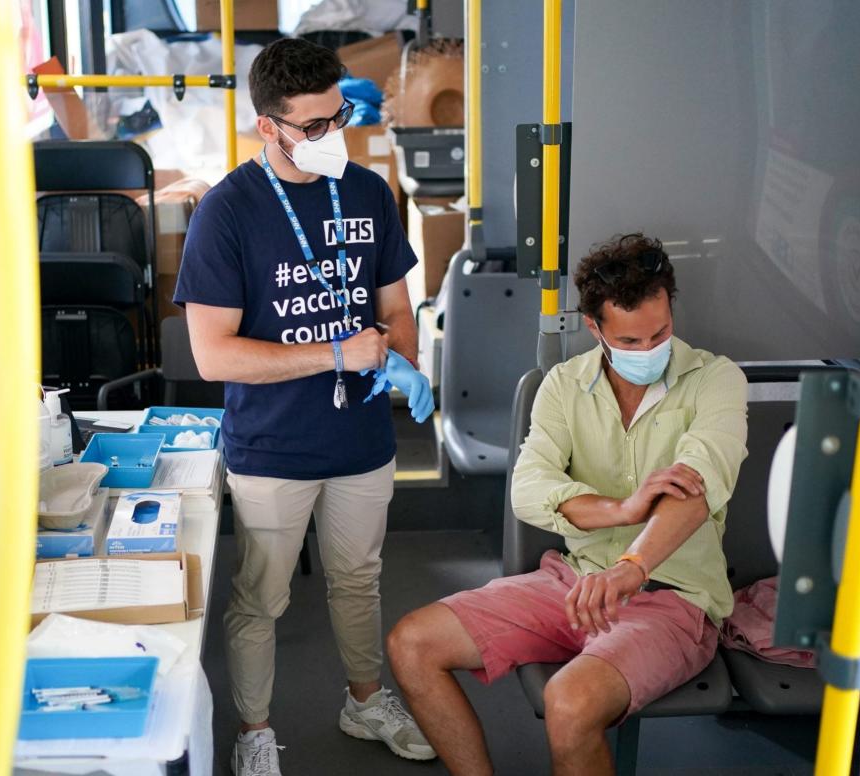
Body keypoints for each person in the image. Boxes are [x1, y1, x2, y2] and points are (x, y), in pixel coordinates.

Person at [387, 233, 749, 776]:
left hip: (673, 601)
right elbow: (529, 490)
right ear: (594, 328)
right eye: (629, 341)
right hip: (576, 582)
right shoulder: (561, 385)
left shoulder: (717, 380)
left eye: (660, 333)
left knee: (570, 701)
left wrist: (632, 566)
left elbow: (696, 487)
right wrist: (623, 509)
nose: (649, 350)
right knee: (411, 643)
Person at [173, 38, 436, 776]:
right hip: (274, 445)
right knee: (262, 597)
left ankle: (364, 700)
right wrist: (336, 355)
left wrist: (401, 358)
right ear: (270, 127)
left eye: (339, 115)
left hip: (360, 437)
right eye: (314, 126)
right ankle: (255, 729)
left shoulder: (365, 191)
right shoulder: (226, 212)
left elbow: (394, 303)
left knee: (359, 579)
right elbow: (213, 355)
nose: (334, 135)